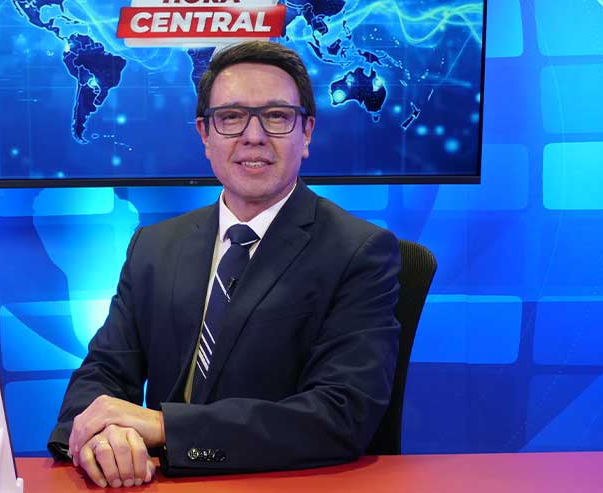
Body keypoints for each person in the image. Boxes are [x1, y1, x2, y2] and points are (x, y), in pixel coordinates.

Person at [47, 40, 400, 487]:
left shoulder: (359, 251)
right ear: (205, 134)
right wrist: (102, 434)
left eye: (276, 116)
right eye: (231, 117)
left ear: (307, 132)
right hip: (155, 483)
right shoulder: (154, 246)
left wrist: (165, 428)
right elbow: (103, 371)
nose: (253, 136)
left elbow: (341, 414)